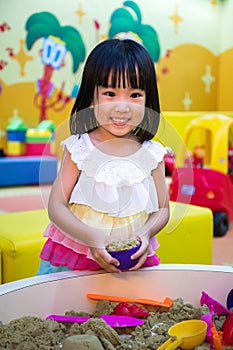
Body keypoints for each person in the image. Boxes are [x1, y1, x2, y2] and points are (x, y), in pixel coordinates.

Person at [37, 38, 170, 275]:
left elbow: (163, 209)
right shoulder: (80, 148)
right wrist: (90, 237)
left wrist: (147, 232)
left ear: (148, 100)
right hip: (77, 255)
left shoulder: (152, 154)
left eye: (135, 95)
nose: (122, 107)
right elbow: (56, 205)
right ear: (91, 97)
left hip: (130, 258)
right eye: (110, 93)